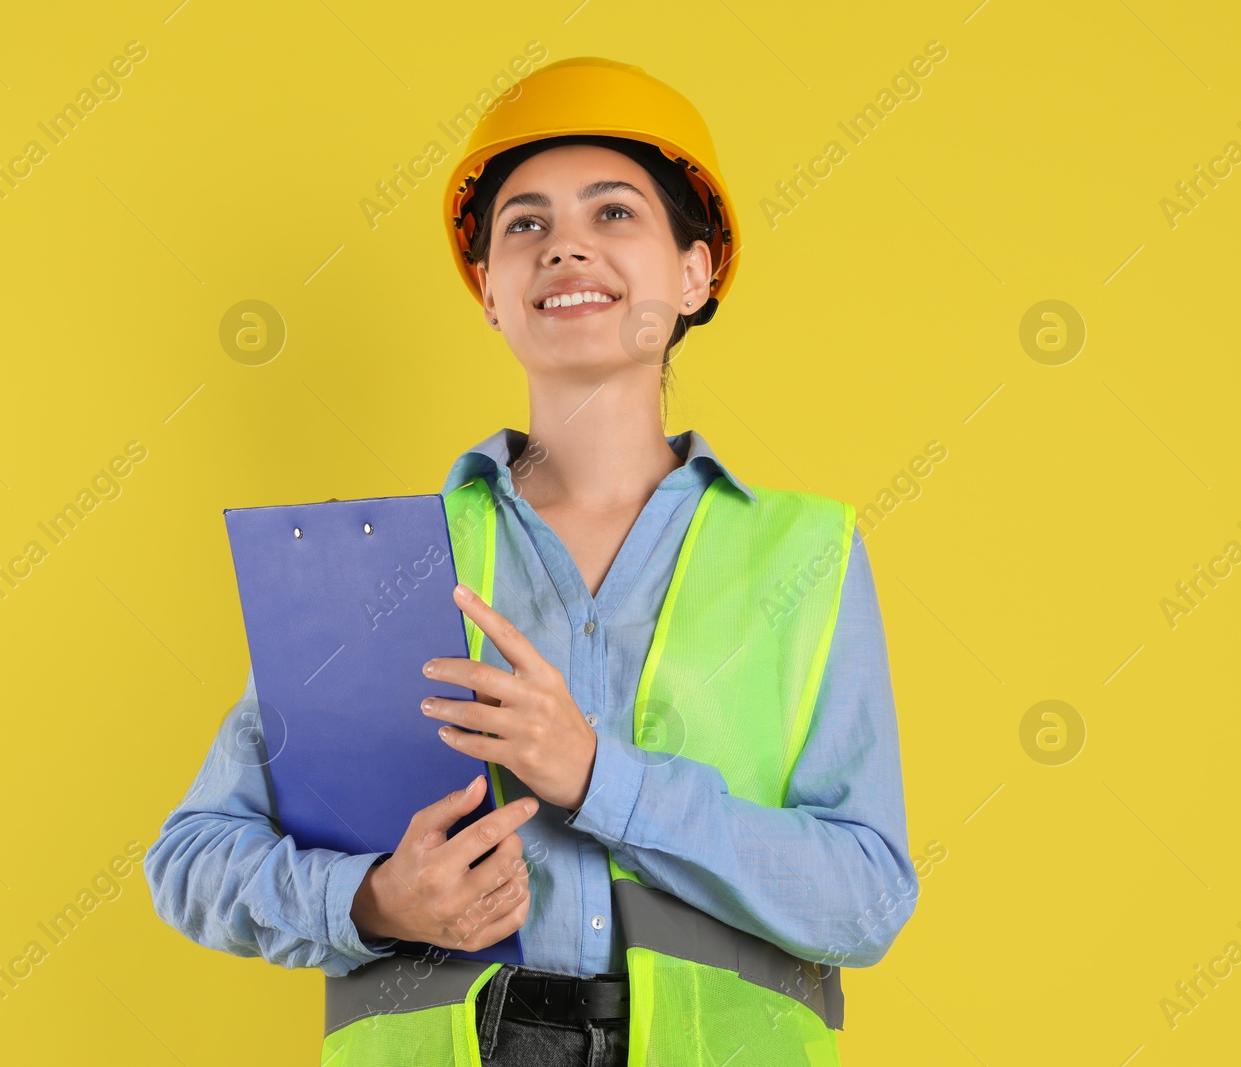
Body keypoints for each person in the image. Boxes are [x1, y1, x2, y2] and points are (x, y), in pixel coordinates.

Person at [145, 57, 917, 1067]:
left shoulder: (801, 554)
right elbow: (190, 858)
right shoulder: (383, 562)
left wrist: (604, 777)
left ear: (694, 273)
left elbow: (866, 895)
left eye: (613, 214)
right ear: (488, 290)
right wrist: (373, 898)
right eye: (526, 224)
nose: (564, 248)